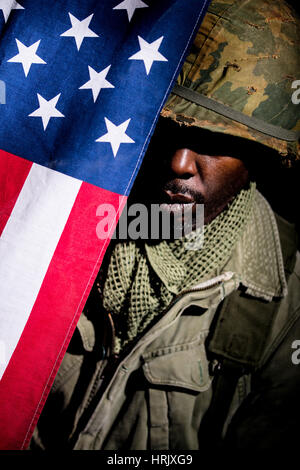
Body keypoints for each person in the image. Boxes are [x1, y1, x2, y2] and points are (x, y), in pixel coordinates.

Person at [30, 0, 300, 450]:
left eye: (214, 143)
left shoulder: (281, 305)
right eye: (166, 129)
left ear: (260, 157)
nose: (178, 163)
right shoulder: (68, 222)